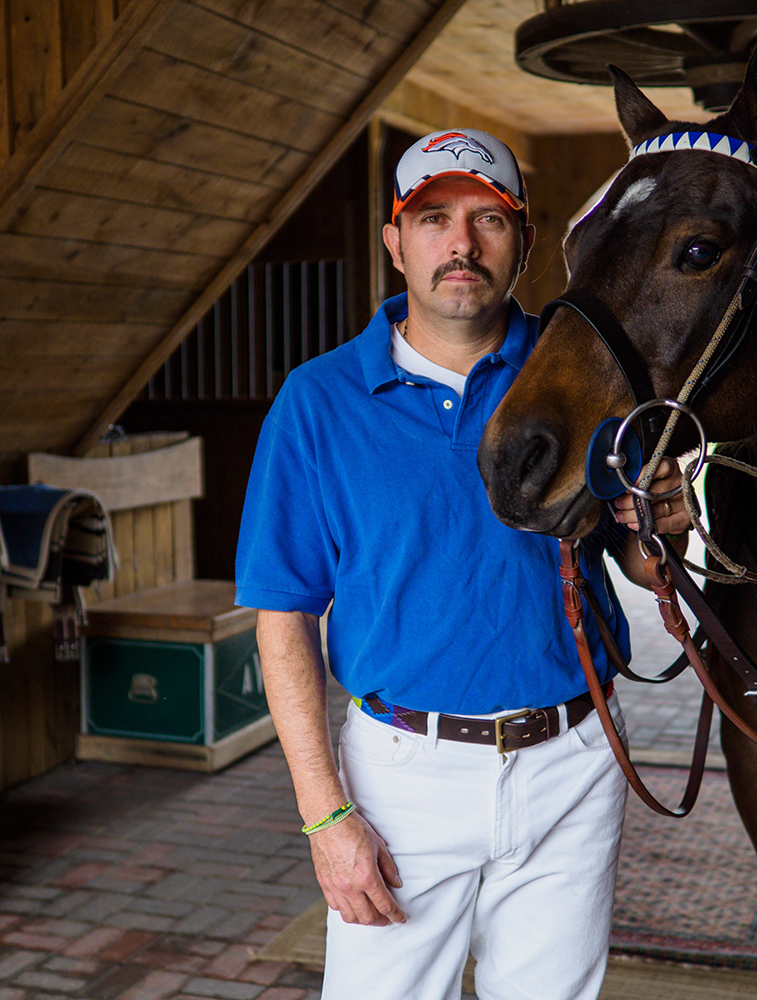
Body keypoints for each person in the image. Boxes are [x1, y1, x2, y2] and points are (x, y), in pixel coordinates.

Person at [235, 127, 690, 1000]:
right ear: (395, 242)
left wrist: (658, 527)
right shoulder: (318, 402)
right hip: (403, 773)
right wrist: (325, 814)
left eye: (489, 218)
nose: (461, 243)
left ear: (522, 243)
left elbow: (637, 563)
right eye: (434, 216)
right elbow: (283, 614)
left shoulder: (587, 376)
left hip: (572, 756)